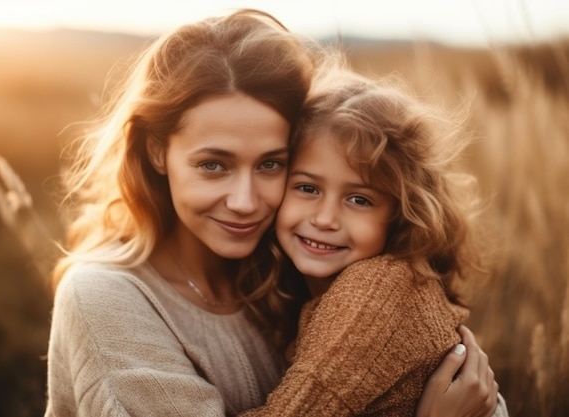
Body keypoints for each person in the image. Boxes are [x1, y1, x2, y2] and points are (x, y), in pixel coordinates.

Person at [44, 9, 500, 417]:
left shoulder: (289, 271)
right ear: (158, 151)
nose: (245, 202)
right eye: (213, 165)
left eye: (270, 164)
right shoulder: (106, 296)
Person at [239, 66, 509, 416]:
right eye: (307, 188)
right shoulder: (315, 288)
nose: (324, 218)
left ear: (401, 213)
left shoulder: (377, 290)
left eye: (359, 200)